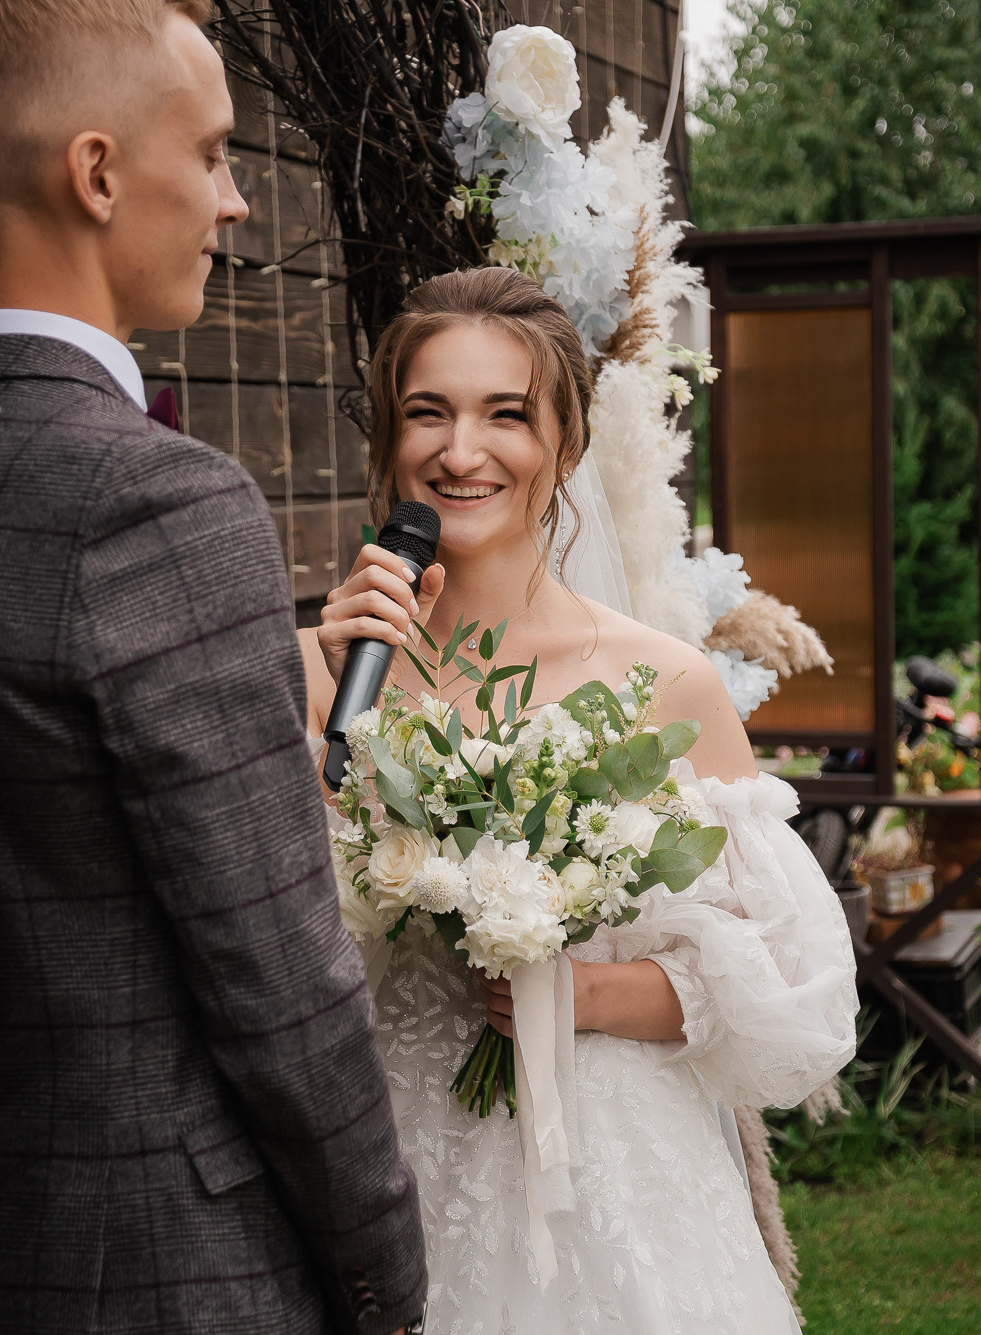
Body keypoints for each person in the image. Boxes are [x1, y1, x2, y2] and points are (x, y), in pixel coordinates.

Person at [0, 2, 427, 1331]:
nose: (233, 200)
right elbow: (280, 979)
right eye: (216, 152)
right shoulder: (158, 502)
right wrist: (386, 1273)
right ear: (97, 172)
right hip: (178, 1267)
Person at [298, 268, 858, 1334]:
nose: (460, 452)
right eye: (428, 412)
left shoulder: (663, 683)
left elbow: (790, 987)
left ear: (563, 446)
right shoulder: (319, 673)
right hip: (383, 1172)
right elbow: (266, 946)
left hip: (606, 1180)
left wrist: (584, 994)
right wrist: (326, 698)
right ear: (387, 436)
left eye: (504, 414)